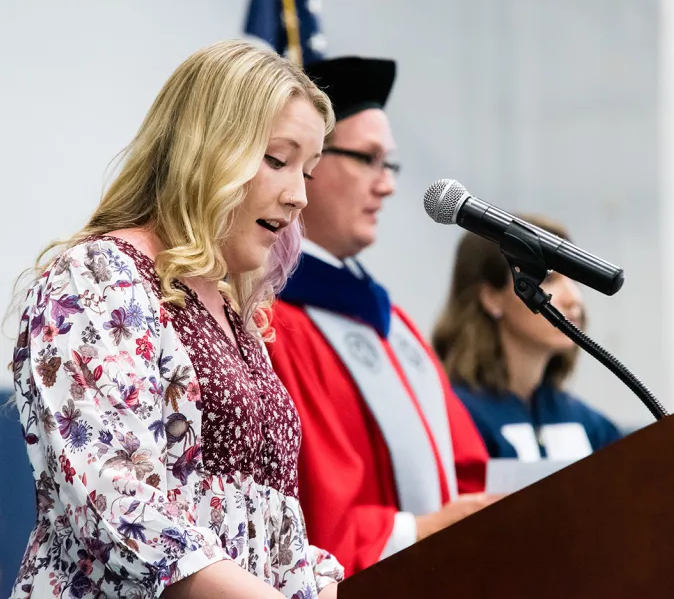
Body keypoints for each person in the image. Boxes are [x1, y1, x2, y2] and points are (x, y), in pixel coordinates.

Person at [9, 40, 344, 599]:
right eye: (277, 160)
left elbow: (261, 518)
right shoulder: (96, 277)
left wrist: (313, 582)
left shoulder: (234, 311)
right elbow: (117, 507)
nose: (298, 198)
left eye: (307, 172)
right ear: (207, 150)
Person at [267, 56, 495, 578]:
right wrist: (422, 533)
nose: (387, 184)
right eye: (368, 159)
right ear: (308, 165)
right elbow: (310, 512)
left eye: (388, 164)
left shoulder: (392, 323)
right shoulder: (275, 324)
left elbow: (465, 471)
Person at [432, 215, 623, 462]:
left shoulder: (591, 426)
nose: (574, 298)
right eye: (549, 278)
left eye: (575, 278)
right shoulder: (453, 417)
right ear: (491, 297)